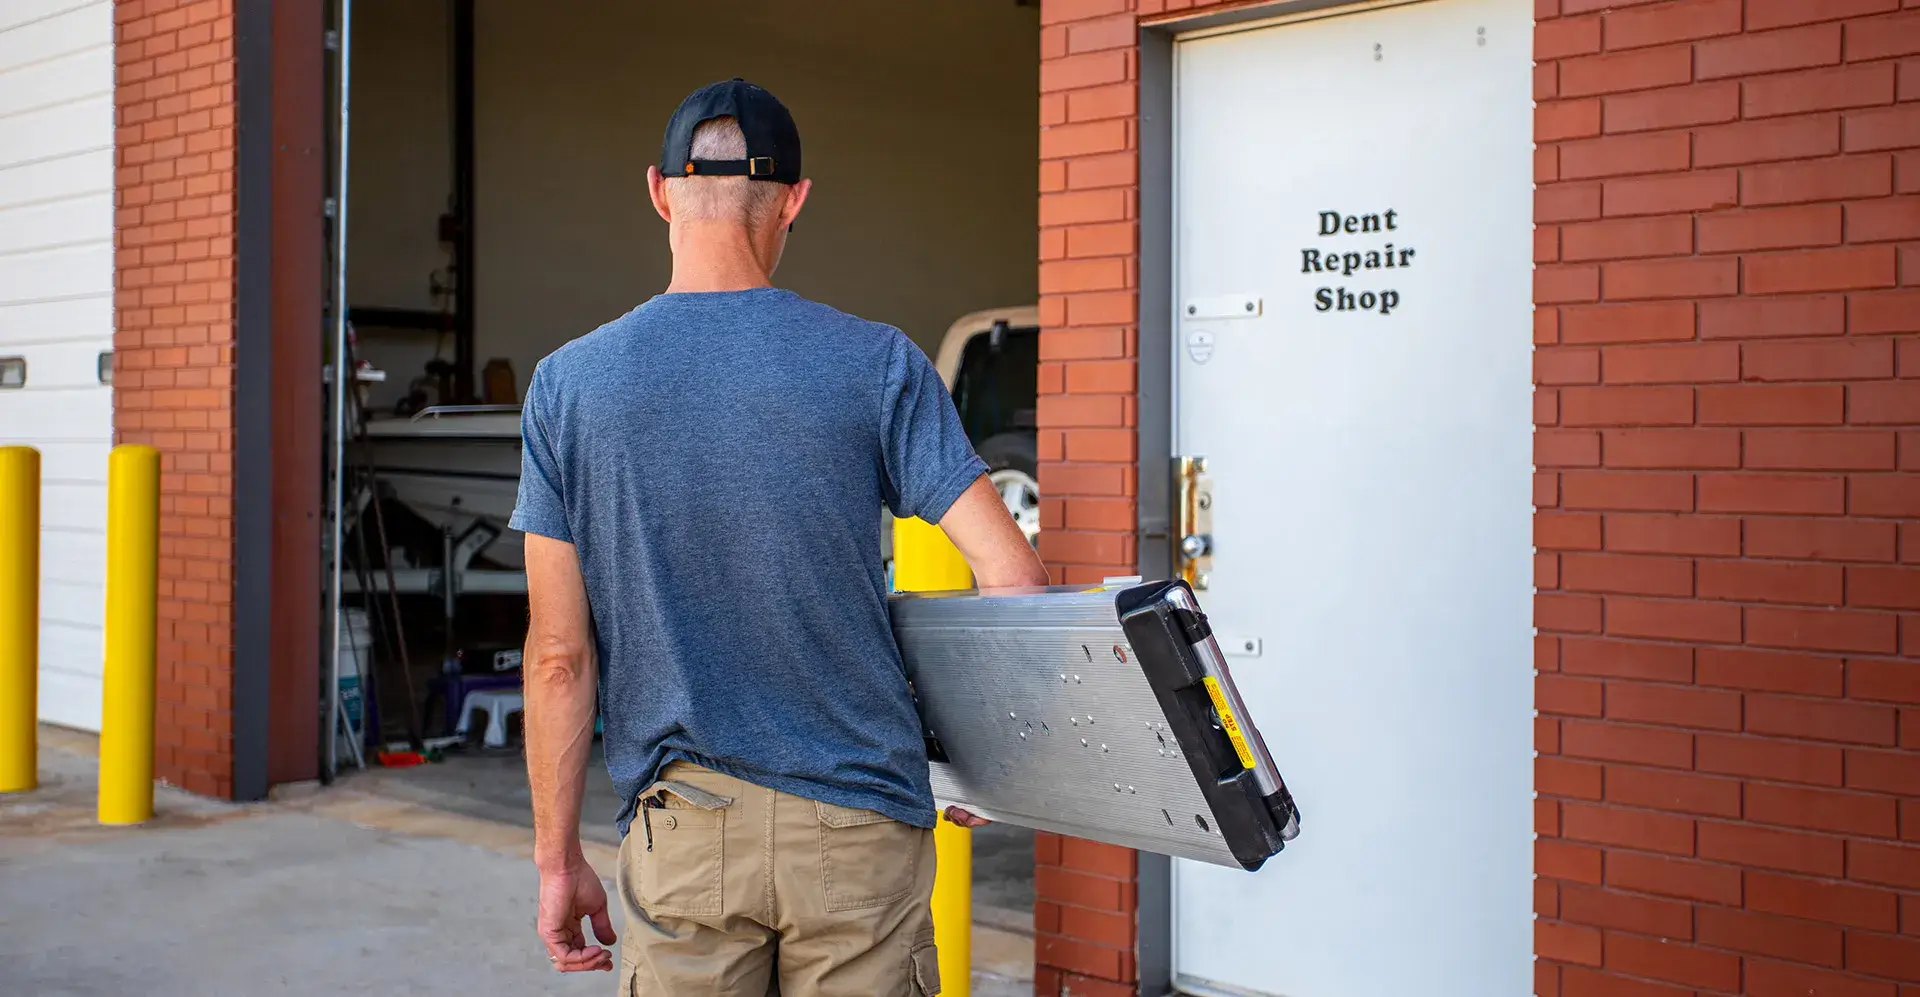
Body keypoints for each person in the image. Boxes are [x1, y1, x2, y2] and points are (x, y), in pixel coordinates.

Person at [509, 78, 1050, 995]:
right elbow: (1013, 576)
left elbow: (559, 657)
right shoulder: (876, 362)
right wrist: (988, 763)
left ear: (659, 191)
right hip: (861, 828)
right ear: (795, 200)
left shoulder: (568, 387)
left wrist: (557, 859)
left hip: (684, 834)